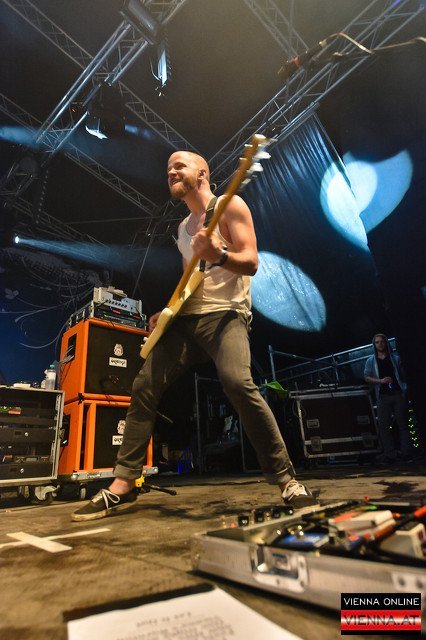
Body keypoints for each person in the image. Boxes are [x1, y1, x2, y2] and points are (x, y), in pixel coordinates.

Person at [72, 150, 317, 521]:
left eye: (179, 165)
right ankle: (124, 483)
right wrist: (169, 311)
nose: (171, 171)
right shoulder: (182, 228)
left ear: (202, 172)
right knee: (144, 385)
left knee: (237, 382)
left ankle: (287, 481)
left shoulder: (229, 205)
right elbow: (191, 280)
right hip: (188, 319)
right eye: (168, 167)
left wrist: (219, 255)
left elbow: (251, 262)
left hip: (227, 315)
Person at [364, 333, 413, 463]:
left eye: (382, 341)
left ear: (386, 343)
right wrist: (380, 381)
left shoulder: (395, 358)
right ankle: (390, 454)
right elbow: (366, 377)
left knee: (403, 425)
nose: (380, 344)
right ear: (374, 345)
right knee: (384, 426)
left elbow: (404, 375)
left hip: (397, 395)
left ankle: (406, 453)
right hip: (383, 396)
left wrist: (404, 389)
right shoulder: (371, 361)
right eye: (377, 342)